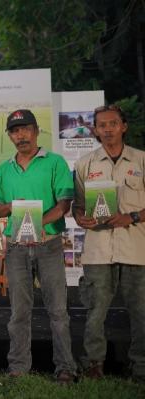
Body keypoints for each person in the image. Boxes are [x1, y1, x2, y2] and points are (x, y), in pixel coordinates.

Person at [0, 109, 77, 383]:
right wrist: (15, 209)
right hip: (16, 247)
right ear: (10, 136)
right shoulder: (5, 169)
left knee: (58, 311)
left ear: (37, 130)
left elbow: (64, 204)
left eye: (25, 128)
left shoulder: (54, 162)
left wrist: (37, 224)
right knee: (19, 311)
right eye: (15, 131)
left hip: (48, 243)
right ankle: (18, 367)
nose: (21, 135)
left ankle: (65, 368)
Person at [73, 104, 145, 381]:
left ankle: (139, 366)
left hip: (136, 250)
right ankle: (93, 364)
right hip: (98, 251)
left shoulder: (140, 160)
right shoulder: (85, 164)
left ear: (123, 126)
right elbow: (78, 207)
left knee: (140, 313)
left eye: (113, 123)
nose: (107, 129)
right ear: (95, 129)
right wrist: (81, 218)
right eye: (101, 125)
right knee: (95, 311)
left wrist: (133, 216)